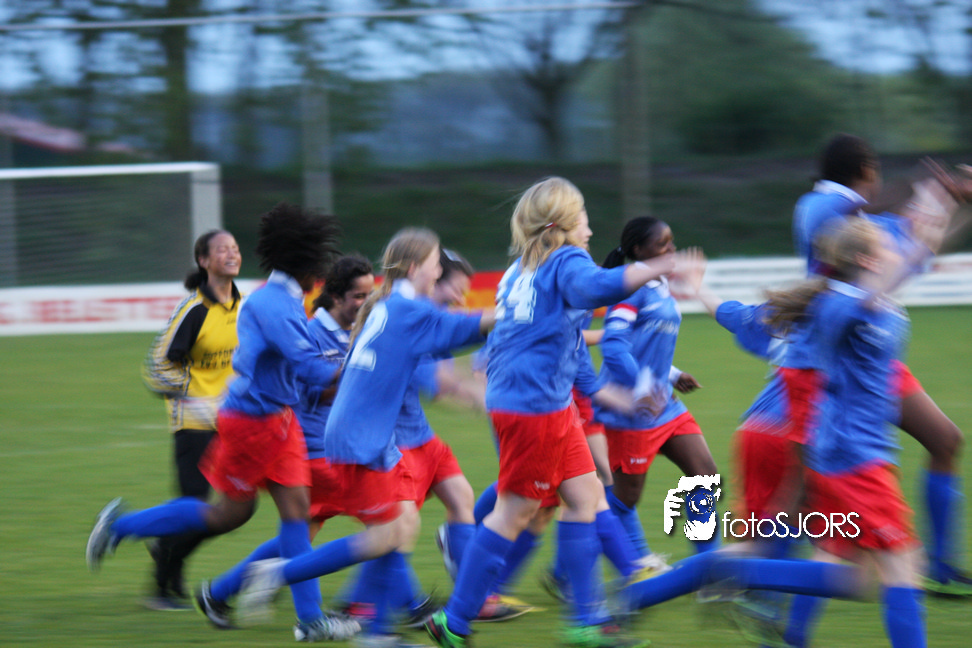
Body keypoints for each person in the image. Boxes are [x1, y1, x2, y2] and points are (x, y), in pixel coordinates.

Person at [424, 176, 677, 648]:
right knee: (516, 511)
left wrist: (608, 395)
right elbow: (598, 287)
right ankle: (453, 620)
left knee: (585, 497)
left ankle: (586, 621)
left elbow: (568, 343)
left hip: (542, 404)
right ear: (560, 224)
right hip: (535, 407)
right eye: (582, 218)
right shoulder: (564, 260)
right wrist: (655, 266)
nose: (589, 229)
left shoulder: (521, 269)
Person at [214, 228, 495, 648]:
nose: (440, 272)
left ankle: (378, 629)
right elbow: (460, 331)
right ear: (415, 268)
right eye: (436, 264)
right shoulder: (402, 309)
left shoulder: (394, 306)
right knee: (386, 534)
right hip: (360, 441)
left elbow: (449, 335)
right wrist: (518, 314)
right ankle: (280, 574)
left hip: (367, 440)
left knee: (396, 529)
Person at [86, 203, 345, 636]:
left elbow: (305, 367)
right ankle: (121, 526)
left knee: (295, 512)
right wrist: (369, 364)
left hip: (279, 420)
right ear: (304, 262)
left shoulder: (283, 297)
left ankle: (310, 620)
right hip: (252, 423)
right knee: (229, 514)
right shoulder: (272, 303)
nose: (320, 277)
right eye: (318, 266)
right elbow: (310, 366)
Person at [793, 133, 971, 596]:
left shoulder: (862, 221)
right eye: (875, 173)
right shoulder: (822, 207)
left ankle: (940, 566)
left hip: (871, 354)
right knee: (807, 498)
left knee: (945, 440)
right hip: (834, 361)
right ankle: (750, 583)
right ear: (866, 171)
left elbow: (920, 243)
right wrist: (927, 192)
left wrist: (950, 202)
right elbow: (876, 221)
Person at [595, 216, 719, 555]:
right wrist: (642, 389)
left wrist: (672, 375)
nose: (671, 249)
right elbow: (614, 347)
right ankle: (571, 560)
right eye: (662, 244)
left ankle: (709, 566)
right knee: (624, 499)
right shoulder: (630, 289)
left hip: (665, 405)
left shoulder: (659, 285)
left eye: (671, 242)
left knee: (704, 474)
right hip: (629, 409)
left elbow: (646, 347)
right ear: (639, 250)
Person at [140, 229, 243, 611]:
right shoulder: (194, 310)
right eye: (222, 249)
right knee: (196, 505)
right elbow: (157, 366)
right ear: (204, 260)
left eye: (235, 248)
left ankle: (166, 550)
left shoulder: (243, 306)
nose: (232, 254)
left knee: (233, 510)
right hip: (194, 423)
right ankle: (160, 589)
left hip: (233, 423)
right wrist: (195, 392)